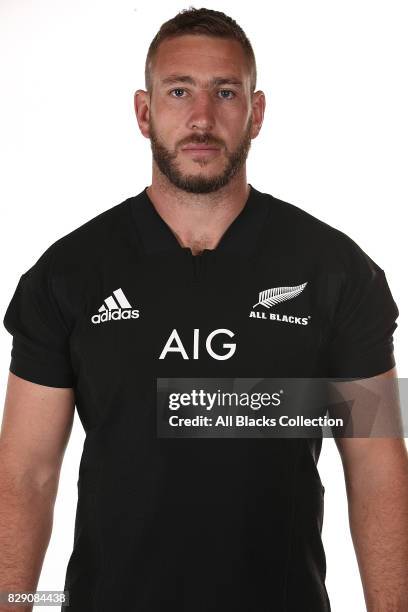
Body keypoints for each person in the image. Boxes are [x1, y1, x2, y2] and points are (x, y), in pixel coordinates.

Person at [1, 7, 407, 612]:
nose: (201, 117)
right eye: (179, 91)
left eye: (225, 92)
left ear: (256, 112)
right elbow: (26, 475)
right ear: (144, 112)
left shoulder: (333, 271)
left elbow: (375, 468)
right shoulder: (70, 274)